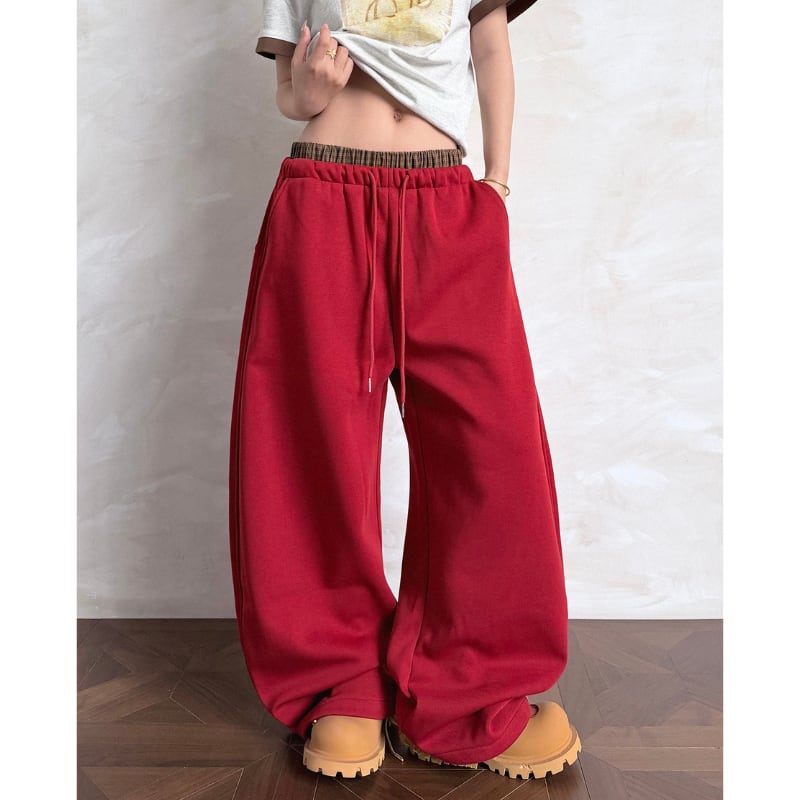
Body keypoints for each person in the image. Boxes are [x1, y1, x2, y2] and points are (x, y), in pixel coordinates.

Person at [228, 0, 582, 783]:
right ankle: (340, 683)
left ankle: (468, 692)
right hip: (323, 193)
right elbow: (289, 91)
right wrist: (311, 92)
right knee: (312, 446)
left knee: (489, 448)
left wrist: (497, 182)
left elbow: (490, 51)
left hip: (445, 200)